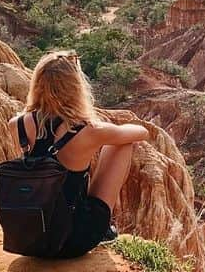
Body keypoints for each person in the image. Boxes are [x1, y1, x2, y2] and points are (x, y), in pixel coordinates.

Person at [9, 49, 150, 258]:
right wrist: (103, 129)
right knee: (121, 144)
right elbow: (142, 133)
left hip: (30, 238)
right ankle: (103, 229)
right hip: (73, 240)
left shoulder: (17, 125)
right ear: (75, 87)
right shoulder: (88, 131)